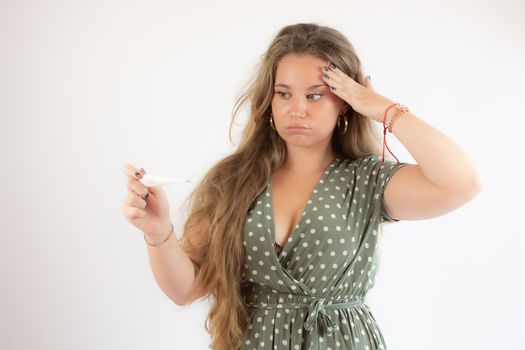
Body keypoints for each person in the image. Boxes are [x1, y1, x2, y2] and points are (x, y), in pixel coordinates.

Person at [122, 23, 483, 350]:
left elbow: (462, 182)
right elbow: (186, 289)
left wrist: (384, 109)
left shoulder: (368, 181)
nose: (296, 110)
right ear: (269, 100)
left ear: (344, 102)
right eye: (283, 94)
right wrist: (158, 232)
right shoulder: (233, 182)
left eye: (314, 95)